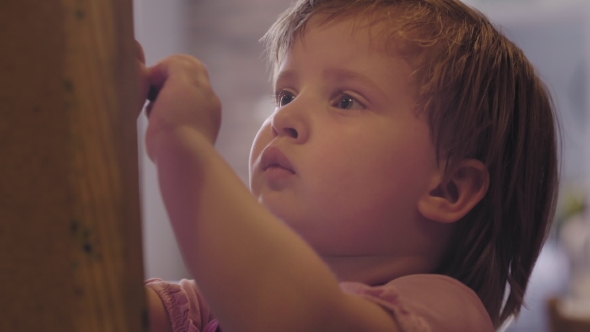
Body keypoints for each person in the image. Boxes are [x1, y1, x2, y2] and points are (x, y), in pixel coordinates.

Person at [138, 0, 559, 331]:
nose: (283, 118)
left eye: (345, 101)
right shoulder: (215, 301)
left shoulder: (445, 310)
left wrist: (184, 147)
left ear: (447, 189)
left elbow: (299, 318)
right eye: (285, 95)